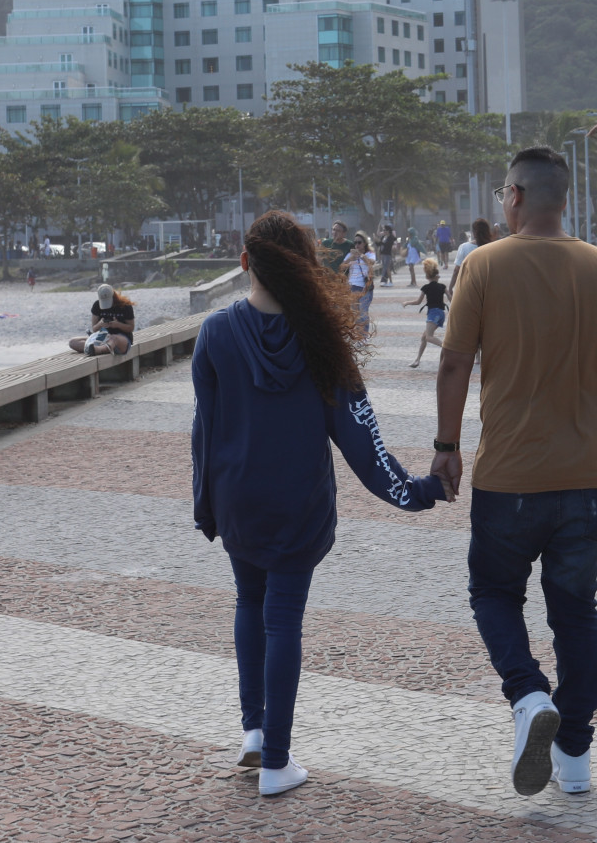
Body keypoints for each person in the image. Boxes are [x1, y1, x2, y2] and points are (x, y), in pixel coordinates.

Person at [434, 146, 597, 797]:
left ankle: (528, 694)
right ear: (560, 198)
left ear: (513, 197)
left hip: (509, 479)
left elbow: (454, 362)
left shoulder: (481, 265)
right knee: (575, 609)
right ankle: (575, 754)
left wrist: (446, 443)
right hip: (590, 481)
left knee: (493, 592)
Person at [191, 211, 444, 795]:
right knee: (282, 619)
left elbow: (205, 428)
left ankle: (254, 733)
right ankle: (276, 763)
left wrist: (206, 504)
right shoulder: (322, 339)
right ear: (307, 265)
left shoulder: (215, 333)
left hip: (236, 498)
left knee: (247, 603)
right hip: (297, 502)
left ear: (245, 261)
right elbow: (363, 440)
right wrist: (419, 492)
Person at [71, 283, 136, 356]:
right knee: (73, 342)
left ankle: (98, 350)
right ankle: (97, 347)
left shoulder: (125, 306)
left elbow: (131, 328)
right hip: (102, 337)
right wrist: (100, 324)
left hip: (121, 339)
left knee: (114, 338)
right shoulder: (96, 305)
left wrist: (118, 325)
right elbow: (94, 329)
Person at [406, 258, 446, 368]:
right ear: (436, 276)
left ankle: (447, 348)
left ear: (427, 276)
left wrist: (407, 303)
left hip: (433, 314)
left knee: (429, 337)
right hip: (441, 314)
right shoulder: (442, 287)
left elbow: (418, 302)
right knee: (424, 337)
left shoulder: (426, 287)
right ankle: (417, 360)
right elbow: (452, 299)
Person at [338, 234, 376, 336]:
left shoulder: (369, 254)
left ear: (364, 243)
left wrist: (361, 256)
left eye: (359, 242)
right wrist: (350, 259)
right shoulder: (351, 255)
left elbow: (371, 263)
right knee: (355, 314)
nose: (357, 245)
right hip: (352, 286)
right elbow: (341, 267)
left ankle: (364, 336)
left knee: (363, 313)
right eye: (355, 242)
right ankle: (358, 335)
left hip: (365, 286)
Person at [449, 218, 491, 289]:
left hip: (469, 288)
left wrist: (450, 288)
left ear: (474, 233)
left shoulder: (464, 247)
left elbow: (456, 270)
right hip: (488, 287)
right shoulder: (494, 246)